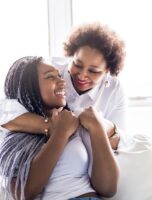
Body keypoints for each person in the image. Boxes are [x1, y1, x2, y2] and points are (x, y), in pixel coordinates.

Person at [0, 56, 119, 200]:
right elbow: (24, 193)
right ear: (29, 86)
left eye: (59, 76)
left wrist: (97, 127)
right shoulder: (13, 135)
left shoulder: (77, 122)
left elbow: (108, 189)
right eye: (50, 77)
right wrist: (60, 133)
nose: (62, 81)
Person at [0, 22, 127, 150]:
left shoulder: (114, 90)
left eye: (93, 71)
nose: (82, 76)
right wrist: (51, 126)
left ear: (107, 71)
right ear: (71, 55)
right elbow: (4, 112)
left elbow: (122, 140)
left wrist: (98, 127)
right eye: (77, 64)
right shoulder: (50, 68)